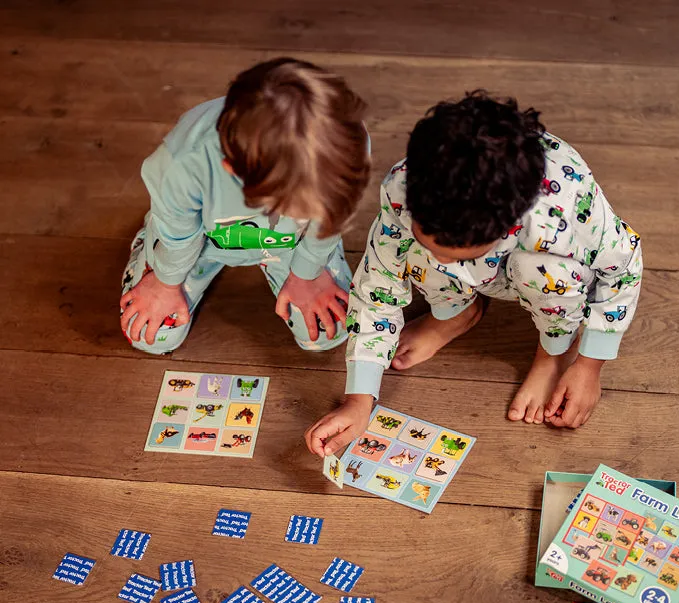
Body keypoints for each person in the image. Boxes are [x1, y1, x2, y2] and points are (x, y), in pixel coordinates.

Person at [306, 91, 642, 456]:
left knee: (546, 272)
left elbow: (623, 270)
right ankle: (456, 313)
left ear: (505, 226)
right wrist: (359, 398)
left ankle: (553, 351)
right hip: (492, 262)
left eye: (453, 255)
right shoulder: (404, 187)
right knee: (401, 248)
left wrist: (589, 365)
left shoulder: (560, 213)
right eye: (433, 246)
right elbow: (377, 284)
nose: (443, 265)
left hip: (536, 271)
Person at [120, 58, 370, 353]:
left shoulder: (346, 143)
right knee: (151, 337)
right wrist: (165, 282)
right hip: (197, 241)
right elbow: (179, 236)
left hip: (290, 244)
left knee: (328, 333)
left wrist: (308, 271)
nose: (309, 214)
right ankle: (148, 242)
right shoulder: (182, 163)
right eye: (295, 207)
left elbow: (334, 218)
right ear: (233, 170)